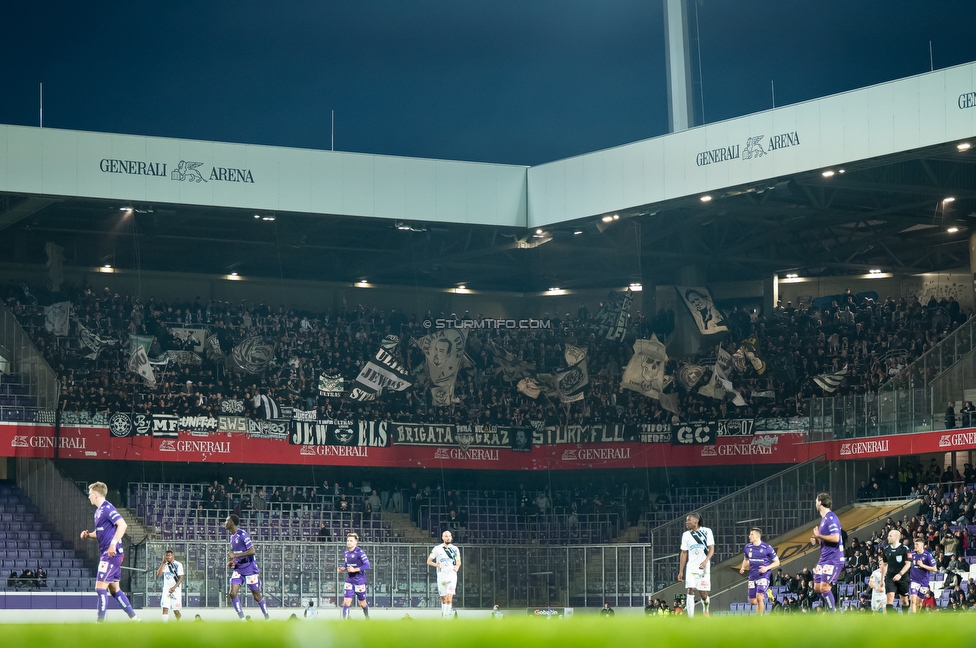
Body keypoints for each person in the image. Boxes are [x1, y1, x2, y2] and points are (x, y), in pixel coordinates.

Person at [79, 481, 139, 622]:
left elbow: (122, 525)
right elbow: (100, 533)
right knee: (114, 590)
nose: (89, 497)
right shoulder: (98, 512)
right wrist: (88, 535)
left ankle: (100, 622)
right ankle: (135, 619)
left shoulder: (107, 508)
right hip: (109, 554)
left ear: (95, 494)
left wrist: (113, 544)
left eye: (90, 494)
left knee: (100, 587)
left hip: (111, 554)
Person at [225, 513, 270, 621]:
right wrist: (234, 561)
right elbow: (240, 553)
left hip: (249, 569)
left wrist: (235, 555)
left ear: (232, 522)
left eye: (227, 521)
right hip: (239, 569)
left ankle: (267, 617)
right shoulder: (232, 537)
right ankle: (242, 620)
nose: (225, 523)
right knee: (232, 593)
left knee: (257, 596)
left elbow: (252, 551)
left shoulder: (242, 534)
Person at [809, 492, 843, 613]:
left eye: (816, 501)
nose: (815, 503)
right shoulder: (824, 519)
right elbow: (826, 539)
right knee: (817, 587)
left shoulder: (831, 517)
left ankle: (833, 615)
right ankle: (829, 609)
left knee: (824, 587)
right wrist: (818, 540)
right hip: (824, 558)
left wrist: (819, 535)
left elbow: (836, 538)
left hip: (833, 559)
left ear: (819, 502)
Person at [678, 512, 714, 618]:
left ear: (696, 521)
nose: (686, 522)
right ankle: (691, 618)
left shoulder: (707, 531)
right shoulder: (686, 535)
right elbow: (684, 553)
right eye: (686, 521)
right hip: (691, 567)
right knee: (690, 589)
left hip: (704, 567)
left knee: (703, 593)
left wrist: (705, 561)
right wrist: (681, 571)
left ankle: (706, 608)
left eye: (689, 520)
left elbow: (711, 549)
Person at [739, 527, 780, 616]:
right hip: (752, 576)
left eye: (751, 534)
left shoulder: (767, 547)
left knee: (759, 597)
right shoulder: (747, 547)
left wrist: (766, 568)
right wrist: (742, 567)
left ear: (757, 536)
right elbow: (746, 559)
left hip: (763, 575)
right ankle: (769, 596)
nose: (749, 536)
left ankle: (759, 619)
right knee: (753, 601)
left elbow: (777, 562)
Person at [427, 530, 461, 619]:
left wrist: (457, 567)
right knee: (443, 599)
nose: (448, 537)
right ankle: (444, 614)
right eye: (446, 536)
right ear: (442, 538)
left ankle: (446, 618)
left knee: (449, 598)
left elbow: (458, 561)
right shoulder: (437, 549)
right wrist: (436, 564)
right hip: (441, 577)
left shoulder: (455, 549)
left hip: (451, 576)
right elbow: (429, 561)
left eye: (449, 536)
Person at [338, 532, 371, 619]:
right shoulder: (346, 553)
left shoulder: (360, 552)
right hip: (349, 581)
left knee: (362, 604)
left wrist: (354, 569)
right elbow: (346, 563)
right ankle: (344, 622)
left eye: (351, 541)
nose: (349, 542)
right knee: (346, 603)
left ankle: (368, 619)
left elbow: (367, 565)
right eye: (348, 540)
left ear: (356, 542)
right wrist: (342, 568)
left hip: (359, 581)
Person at [883, 529, 910, 612]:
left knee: (904, 600)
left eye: (890, 536)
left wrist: (900, 574)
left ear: (896, 537)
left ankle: (905, 620)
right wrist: (883, 577)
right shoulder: (886, 550)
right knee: (890, 597)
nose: (888, 537)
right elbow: (884, 564)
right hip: (890, 577)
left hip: (903, 577)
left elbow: (908, 564)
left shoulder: (905, 549)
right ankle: (891, 622)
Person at [908, 537, 936, 613]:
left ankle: (916, 618)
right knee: (913, 600)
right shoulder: (912, 554)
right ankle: (912, 619)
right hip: (914, 580)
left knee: (919, 603)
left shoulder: (928, 555)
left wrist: (923, 565)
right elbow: (906, 563)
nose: (915, 546)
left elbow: (935, 569)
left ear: (922, 545)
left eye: (917, 544)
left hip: (924, 582)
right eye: (914, 544)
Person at [156, 549, 184, 622]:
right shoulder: (164, 565)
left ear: (172, 556)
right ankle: (165, 626)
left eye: (169, 556)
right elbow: (159, 575)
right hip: (167, 591)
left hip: (176, 590)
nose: (167, 557)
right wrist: (163, 563)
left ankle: (178, 619)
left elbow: (181, 578)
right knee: (165, 608)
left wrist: (174, 587)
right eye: (166, 556)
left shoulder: (178, 565)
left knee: (176, 611)